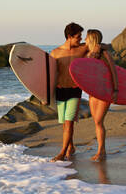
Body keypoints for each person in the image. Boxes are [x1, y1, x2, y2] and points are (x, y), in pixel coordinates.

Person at [50, 22, 88, 161]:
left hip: (74, 91)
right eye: (78, 36)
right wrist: (44, 95)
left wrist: (97, 49)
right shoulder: (56, 53)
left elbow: (100, 44)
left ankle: (62, 152)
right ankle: (71, 146)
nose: (81, 39)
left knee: (69, 122)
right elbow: (49, 76)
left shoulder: (82, 49)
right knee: (65, 124)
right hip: (60, 91)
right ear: (70, 36)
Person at [84, 29, 118, 162]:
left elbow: (114, 71)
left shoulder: (105, 53)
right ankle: (101, 149)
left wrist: (115, 90)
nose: (85, 40)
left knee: (98, 121)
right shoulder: (87, 54)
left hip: (105, 90)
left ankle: (101, 151)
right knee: (97, 122)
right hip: (93, 92)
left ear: (92, 39)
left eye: (87, 37)